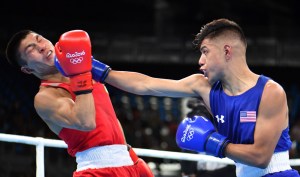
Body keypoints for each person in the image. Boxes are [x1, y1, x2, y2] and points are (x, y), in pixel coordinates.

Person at [87, 18, 300, 177]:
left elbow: (260, 158)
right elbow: (146, 84)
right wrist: (99, 71)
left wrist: (212, 143)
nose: (200, 60)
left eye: (205, 51)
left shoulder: (270, 92)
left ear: (227, 51)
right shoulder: (204, 86)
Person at [5, 30, 154, 177]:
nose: (41, 46)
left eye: (40, 39)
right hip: (96, 170)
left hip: (128, 162)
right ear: (27, 69)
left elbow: (112, 119)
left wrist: (128, 154)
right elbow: (86, 122)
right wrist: (80, 75)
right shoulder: (45, 97)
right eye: (31, 49)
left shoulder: (90, 71)